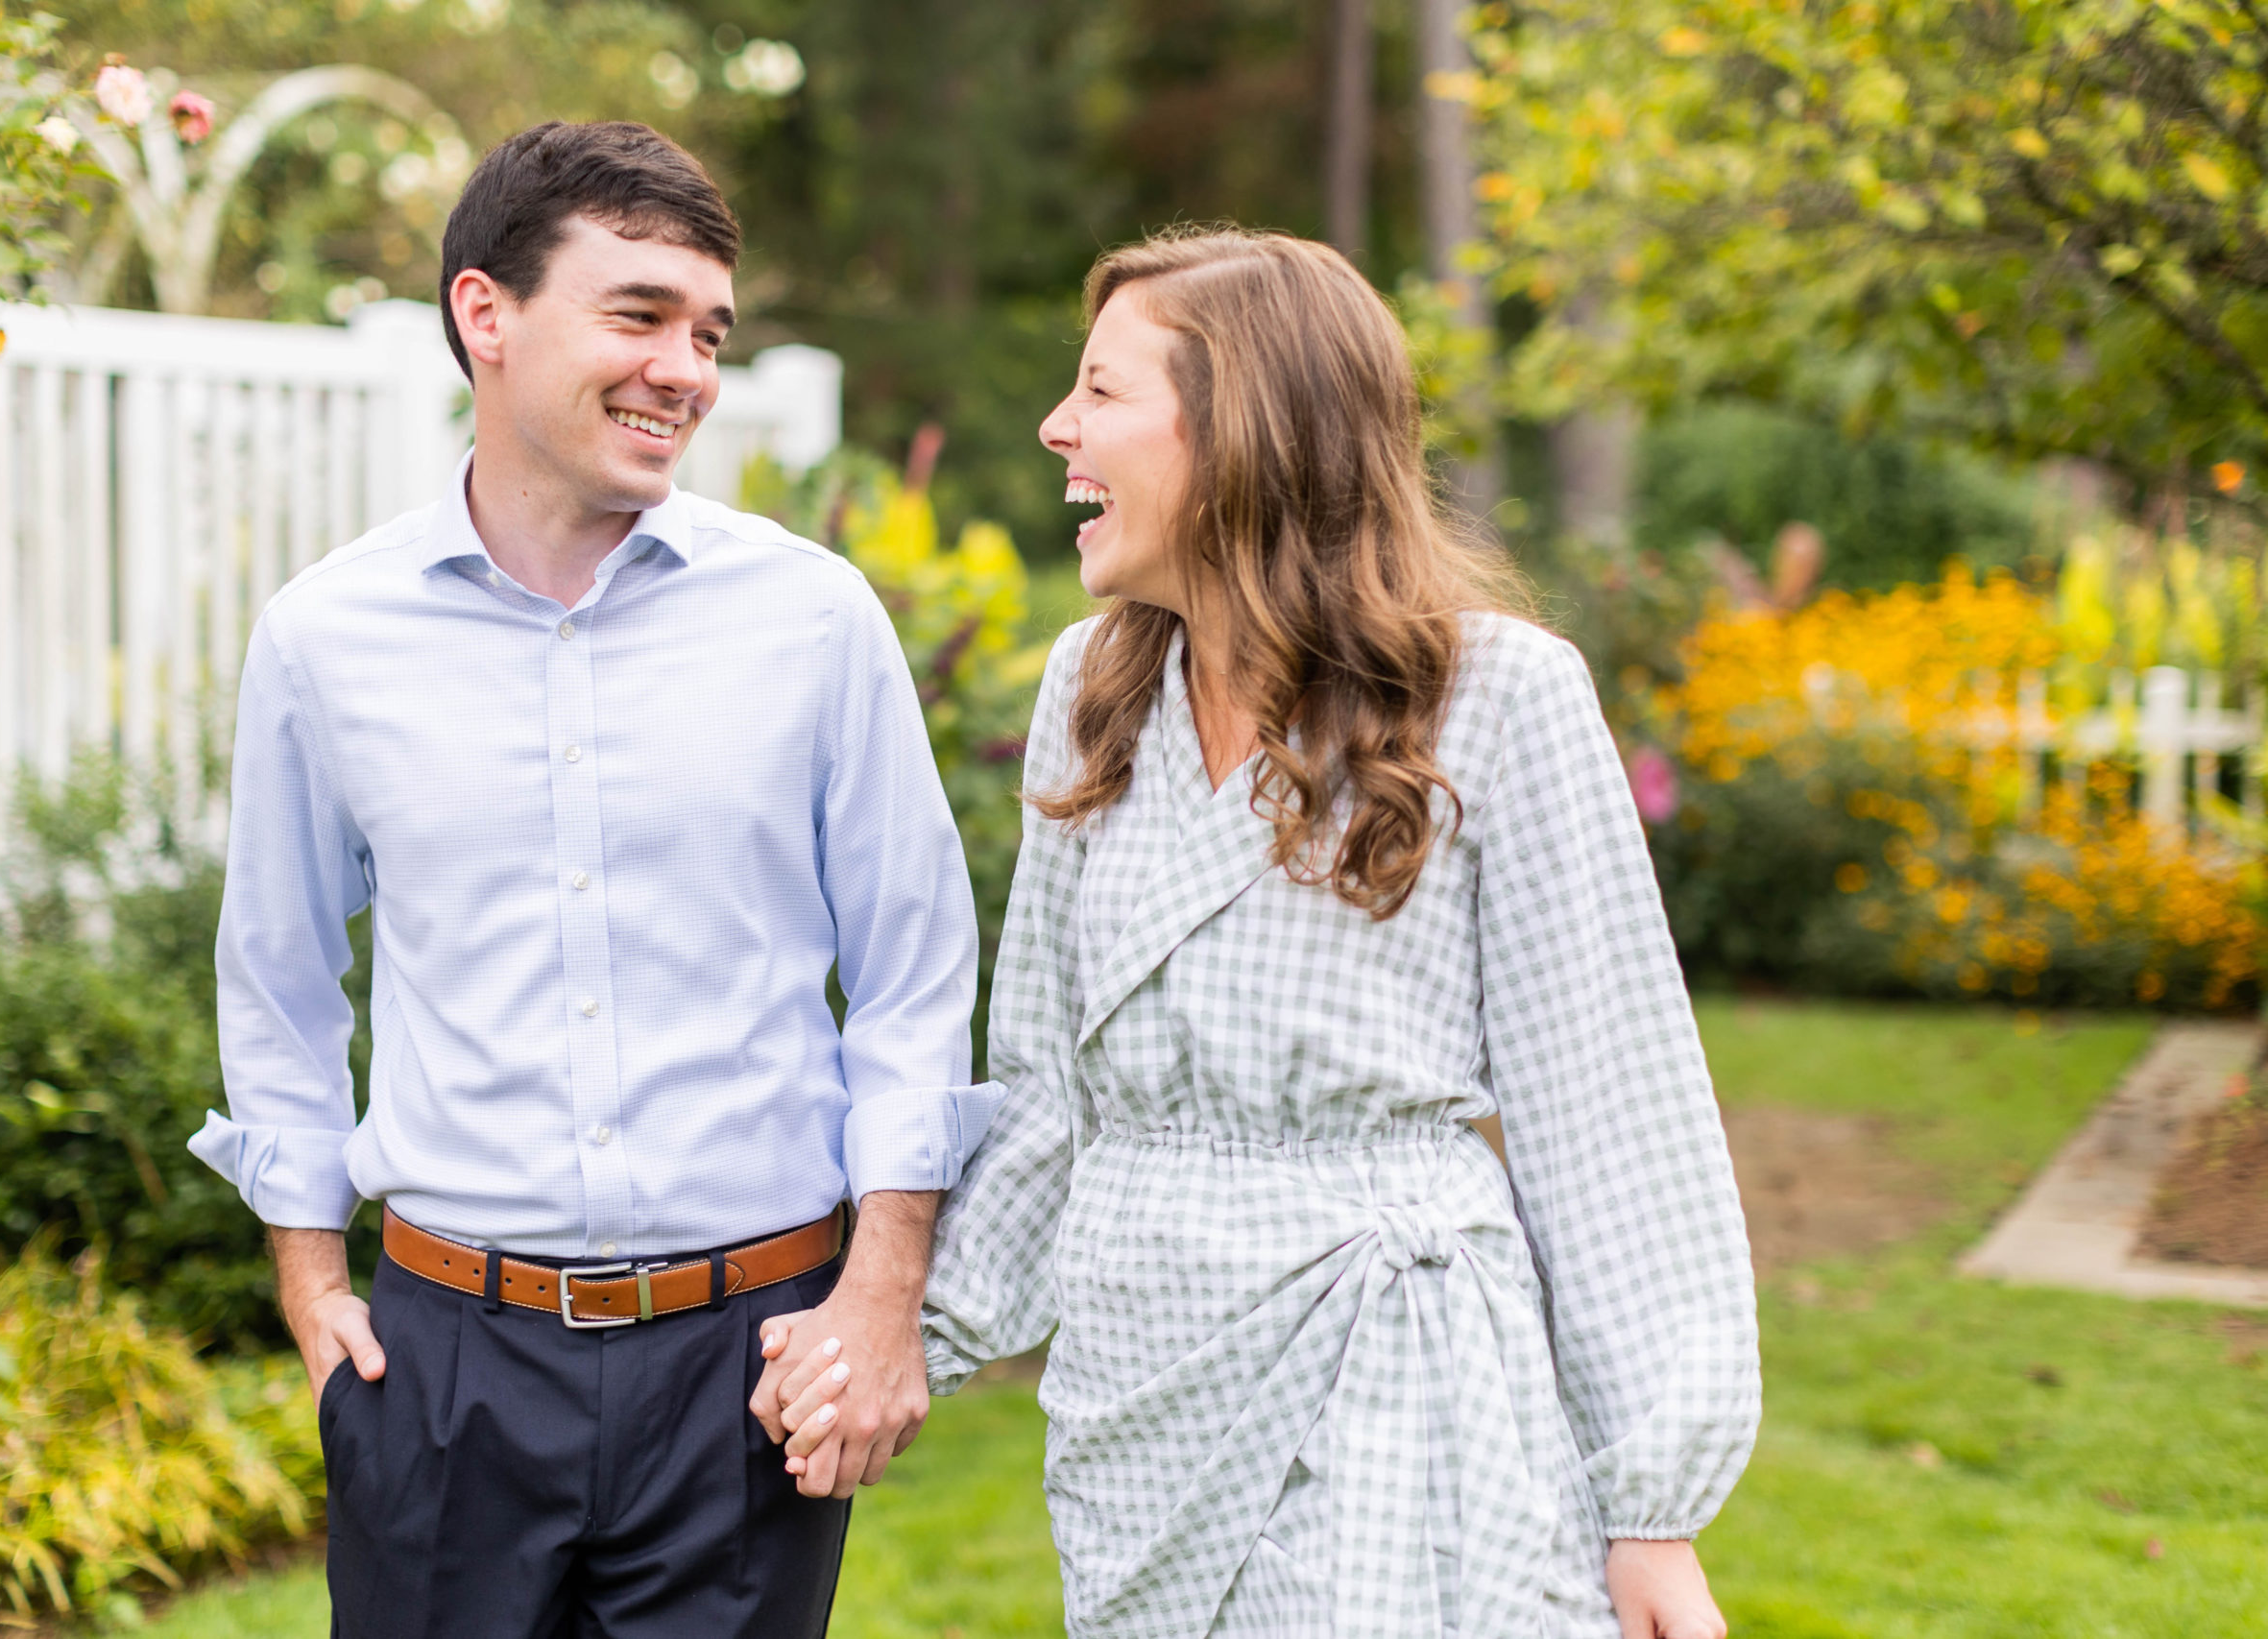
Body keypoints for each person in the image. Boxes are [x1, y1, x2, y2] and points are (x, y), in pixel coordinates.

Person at [774, 227, 1761, 1636]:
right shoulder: (1093, 689)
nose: (1058, 427)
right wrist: (894, 1333)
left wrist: (1650, 1504)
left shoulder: (1498, 697)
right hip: (1140, 1384)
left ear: (1246, 428)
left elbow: (1608, 1115)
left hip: (1385, 1360)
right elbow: (1054, 1089)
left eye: (1103, 392)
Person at [186, 120, 997, 1639]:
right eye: (638, 316)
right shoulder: (324, 638)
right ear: (485, 315)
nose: (685, 368)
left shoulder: (814, 621)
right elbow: (280, 976)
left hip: (747, 1369)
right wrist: (308, 1286)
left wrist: (882, 1299)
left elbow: (913, 977)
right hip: (442, 1375)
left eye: (708, 332)